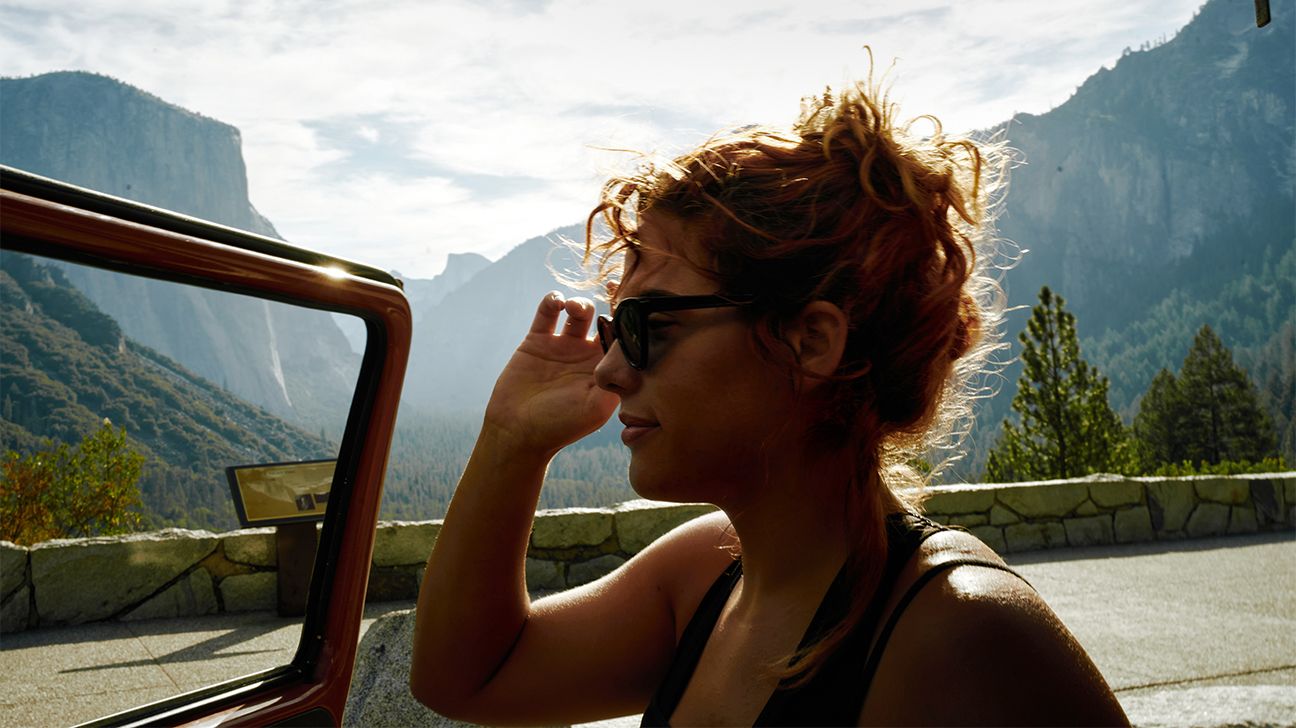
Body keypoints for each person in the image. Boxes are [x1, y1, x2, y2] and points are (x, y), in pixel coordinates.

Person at [410, 78, 1129, 726]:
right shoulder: (705, 576)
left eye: (647, 326)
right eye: (612, 327)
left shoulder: (965, 638)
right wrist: (511, 439)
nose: (608, 370)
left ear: (809, 341)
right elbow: (468, 679)